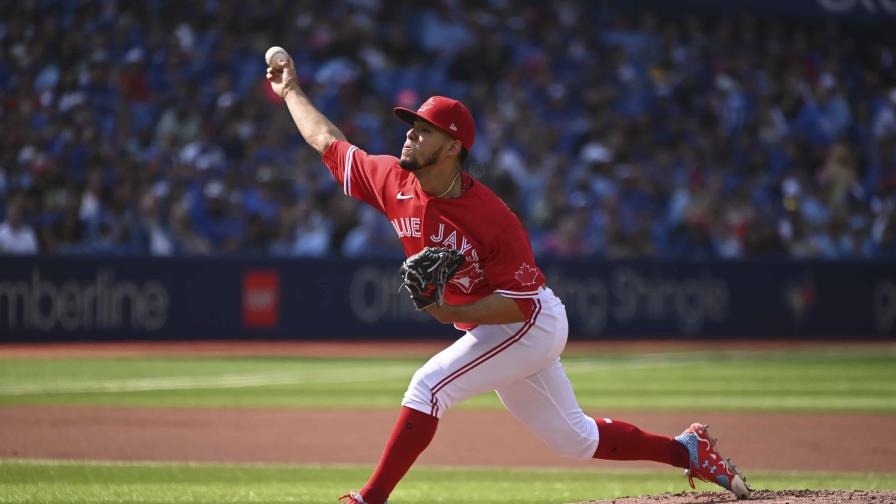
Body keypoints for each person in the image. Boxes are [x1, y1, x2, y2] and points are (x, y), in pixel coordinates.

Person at [266, 55, 750, 504]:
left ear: (453, 146)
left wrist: (448, 311)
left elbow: (516, 305)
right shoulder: (393, 180)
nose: (410, 135)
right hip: (496, 327)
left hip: (528, 321)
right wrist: (291, 92)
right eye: (410, 126)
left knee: (428, 386)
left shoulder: (492, 217)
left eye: (424, 129)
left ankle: (370, 498)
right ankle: (688, 451)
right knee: (575, 440)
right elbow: (329, 141)